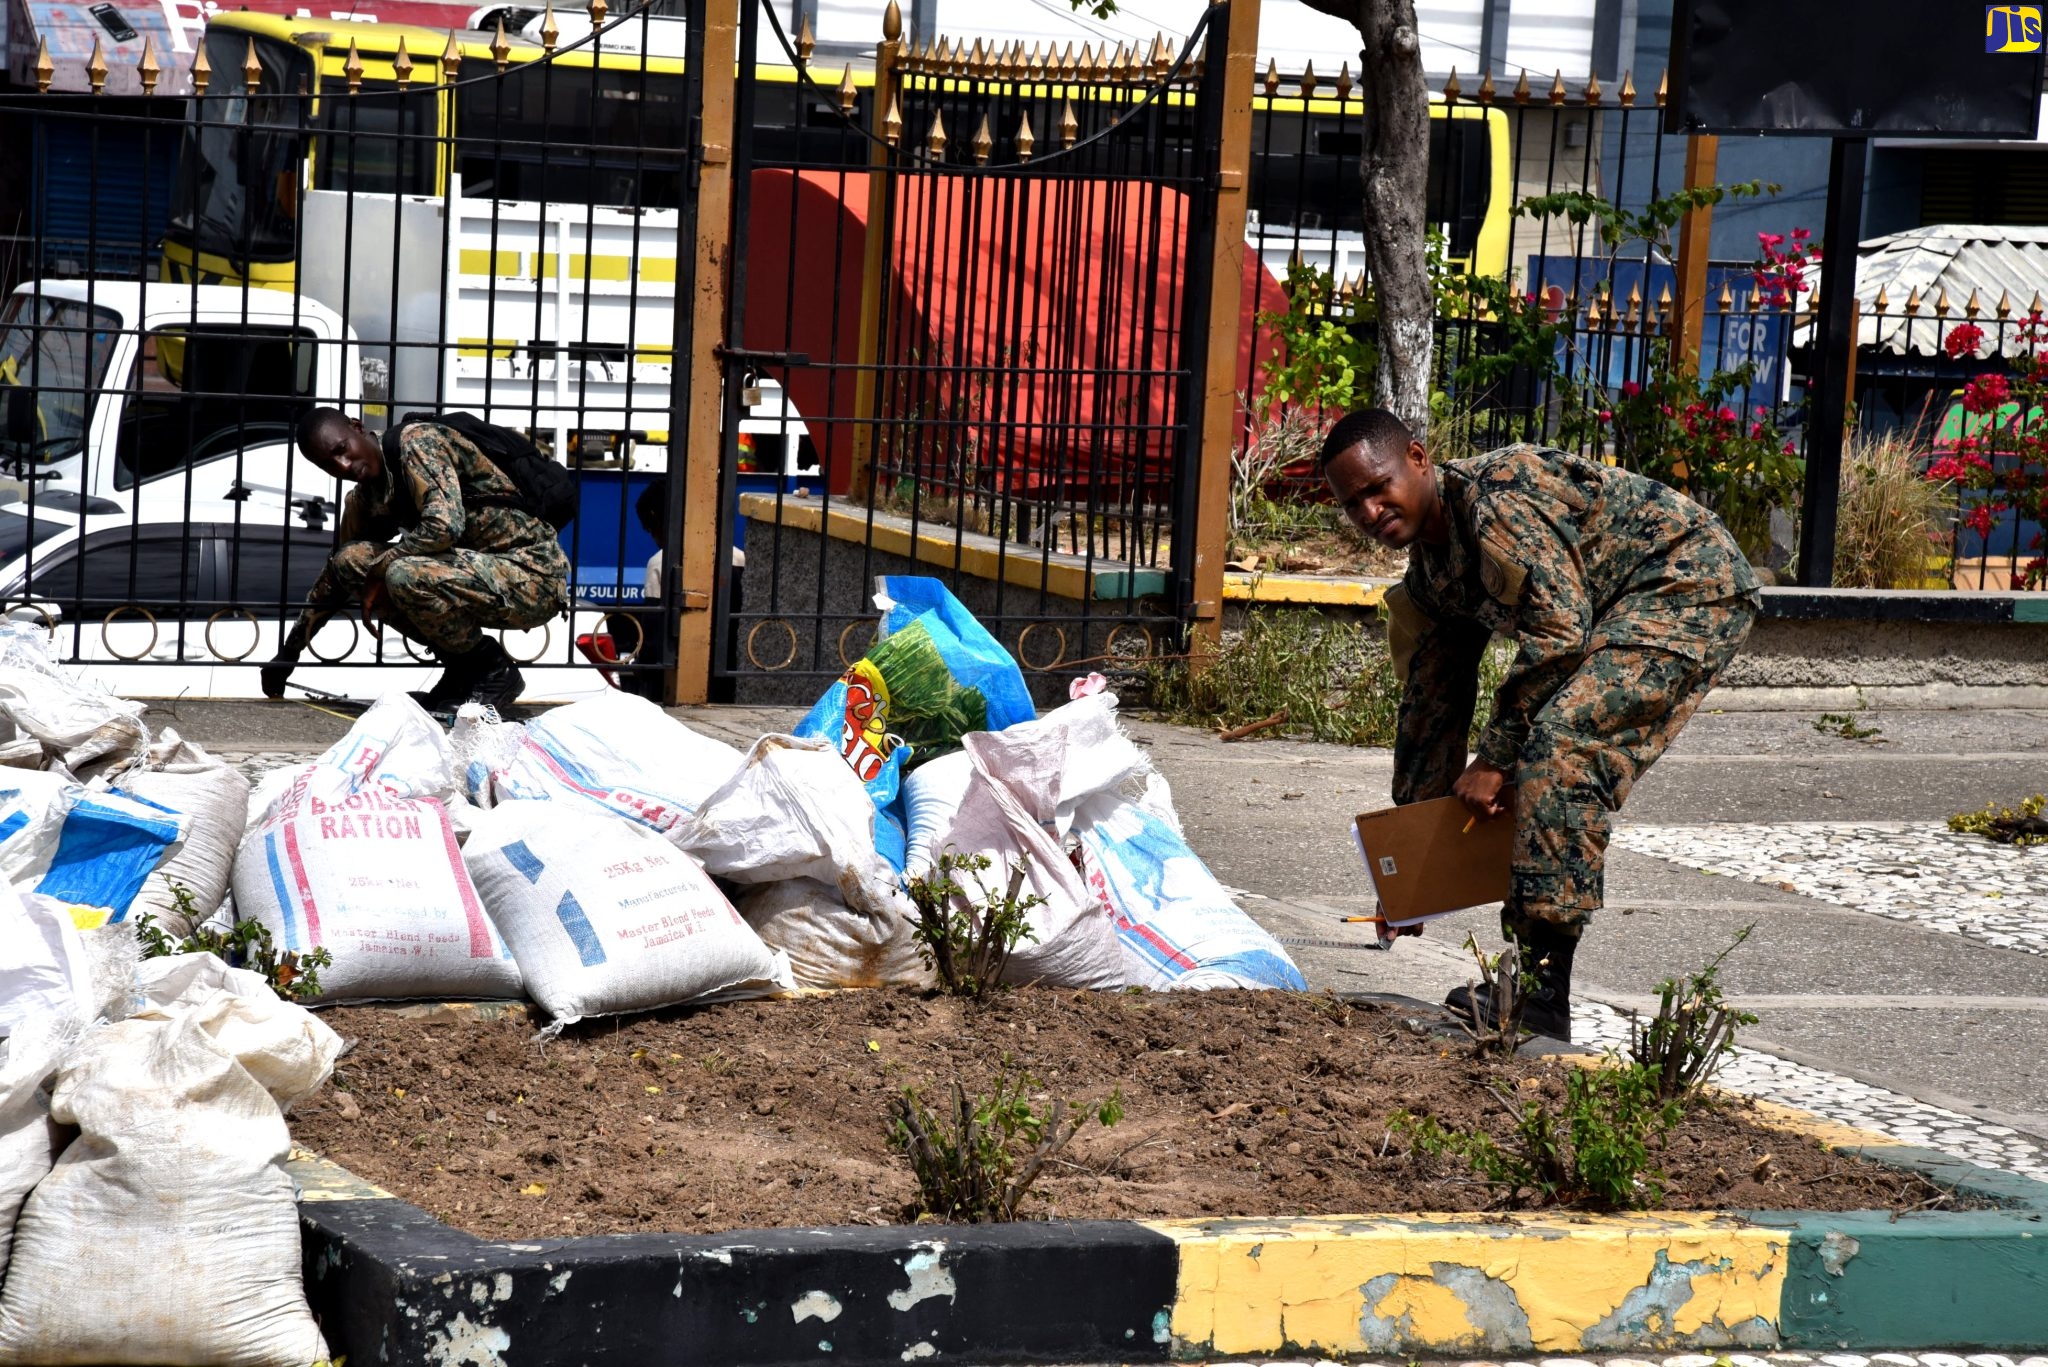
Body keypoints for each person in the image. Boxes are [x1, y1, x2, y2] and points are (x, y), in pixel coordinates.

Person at [1320, 408, 1760, 1041]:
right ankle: (1531, 988)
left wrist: (1496, 758)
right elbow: (1430, 701)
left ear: (1418, 459)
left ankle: (1540, 997)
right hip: (1610, 608)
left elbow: (1557, 633)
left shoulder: (1497, 503)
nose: (1368, 511)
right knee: (1542, 744)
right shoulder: (1433, 571)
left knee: (1562, 750)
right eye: (1350, 503)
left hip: (1685, 581)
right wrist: (1414, 867)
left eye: (1376, 486)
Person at [261, 408, 571, 709]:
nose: (343, 465)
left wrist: (382, 567)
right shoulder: (366, 497)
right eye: (329, 464)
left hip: (530, 576)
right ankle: (462, 669)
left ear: (357, 427)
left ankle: (494, 671)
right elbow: (336, 574)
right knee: (351, 561)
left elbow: (444, 526)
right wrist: (290, 651)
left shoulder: (417, 442)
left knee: (402, 573)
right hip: (478, 577)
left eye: (342, 449)